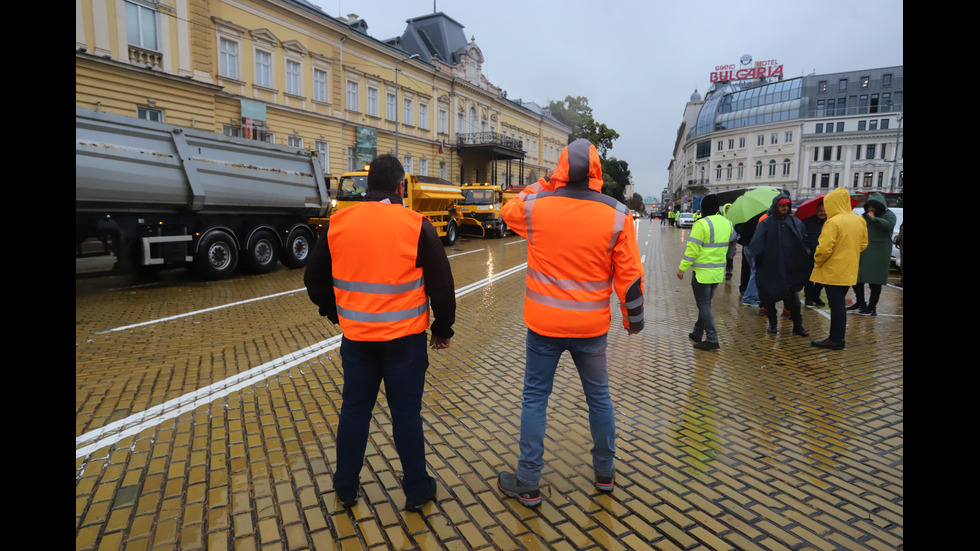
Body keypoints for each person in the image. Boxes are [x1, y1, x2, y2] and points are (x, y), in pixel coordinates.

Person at [495, 138, 645, 508]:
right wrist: (633, 320)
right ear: (596, 172)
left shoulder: (536, 207)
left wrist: (545, 183)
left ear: (562, 169)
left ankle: (528, 482)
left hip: (543, 326)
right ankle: (605, 474)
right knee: (599, 398)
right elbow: (630, 276)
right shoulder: (617, 213)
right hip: (590, 329)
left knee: (535, 399)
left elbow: (507, 208)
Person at [303, 154, 456, 511]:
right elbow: (442, 285)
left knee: (354, 411)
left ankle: (345, 488)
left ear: (368, 185)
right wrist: (442, 327)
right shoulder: (417, 225)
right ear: (400, 187)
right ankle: (417, 491)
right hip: (405, 342)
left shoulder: (339, 224)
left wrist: (336, 313)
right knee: (406, 415)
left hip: (357, 341)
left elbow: (313, 279)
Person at [810, 187, 868, 349]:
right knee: (839, 305)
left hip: (833, 271)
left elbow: (824, 249)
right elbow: (863, 244)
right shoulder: (859, 220)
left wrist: (818, 261)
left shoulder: (833, 222)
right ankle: (838, 337)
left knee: (836, 306)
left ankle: (835, 339)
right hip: (849, 269)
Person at [677, 194, 736, 350]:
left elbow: (692, 249)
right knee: (706, 304)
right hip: (717, 272)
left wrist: (682, 268)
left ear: (704, 207)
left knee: (703, 305)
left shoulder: (702, 223)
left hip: (702, 273)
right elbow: (732, 245)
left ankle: (712, 338)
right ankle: (697, 332)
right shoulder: (727, 223)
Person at [749, 194, 811, 337]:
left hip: (790, 269)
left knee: (794, 301)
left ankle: (798, 326)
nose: (785, 208)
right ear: (777, 206)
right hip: (771, 268)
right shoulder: (766, 223)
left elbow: (803, 241)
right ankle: (773, 324)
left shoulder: (795, 222)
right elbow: (757, 244)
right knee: (770, 298)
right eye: (782, 205)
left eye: (787, 206)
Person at [846, 192, 896, 316]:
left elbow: (889, 225)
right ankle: (860, 304)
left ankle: (872, 307)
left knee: (875, 281)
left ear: (879, 206)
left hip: (879, 253)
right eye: (869, 207)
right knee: (857, 279)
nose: (870, 209)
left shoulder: (889, 215)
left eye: (873, 207)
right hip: (863, 251)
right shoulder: (865, 216)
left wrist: (874, 219)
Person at [802, 200, 828, 306]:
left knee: (822, 278)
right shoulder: (807, 222)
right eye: (821, 211)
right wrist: (806, 249)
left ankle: (815, 296)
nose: (823, 213)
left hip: (824, 254)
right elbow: (802, 237)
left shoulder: (830, 223)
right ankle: (808, 297)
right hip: (810, 253)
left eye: (825, 211)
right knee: (809, 277)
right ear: (816, 211)